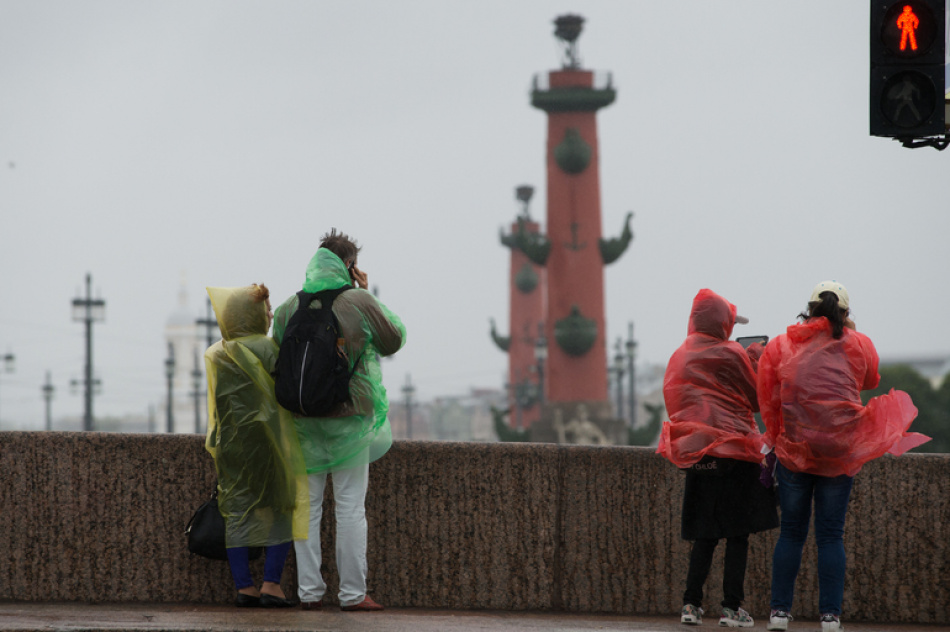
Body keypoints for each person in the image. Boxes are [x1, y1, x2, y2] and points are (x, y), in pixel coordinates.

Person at [757, 280, 929, 632]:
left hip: (795, 450)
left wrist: (775, 438)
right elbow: (870, 380)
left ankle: (778, 612)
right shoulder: (859, 344)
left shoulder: (781, 344)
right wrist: (848, 334)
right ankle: (831, 616)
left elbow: (769, 392)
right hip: (839, 451)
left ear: (808, 309)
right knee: (831, 535)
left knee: (791, 533)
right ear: (846, 313)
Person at [272, 229, 406, 612]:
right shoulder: (358, 301)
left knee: (307, 507)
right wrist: (366, 291)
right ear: (350, 266)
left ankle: (309, 593)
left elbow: (276, 358)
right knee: (349, 507)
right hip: (348, 419)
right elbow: (392, 340)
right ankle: (351, 594)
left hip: (302, 419)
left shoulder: (288, 308)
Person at [658, 289, 778, 629]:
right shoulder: (730, 352)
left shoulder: (679, 355)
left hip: (698, 453)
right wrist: (754, 355)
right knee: (738, 532)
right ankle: (730, 609)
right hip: (736, 454)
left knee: (704, 532)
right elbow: (757, 399)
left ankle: (691, 605)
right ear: (722, 323)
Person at [204, 284, 308, 608]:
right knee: (282, 507)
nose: (271, 314)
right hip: (269, 444)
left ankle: (244, 587)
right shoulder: (267, 348)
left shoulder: (217, 352)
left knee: (237, 511)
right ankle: (271, 585)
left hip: (232, 446)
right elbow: (285, 392)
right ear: (251, 315)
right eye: (265, 310)